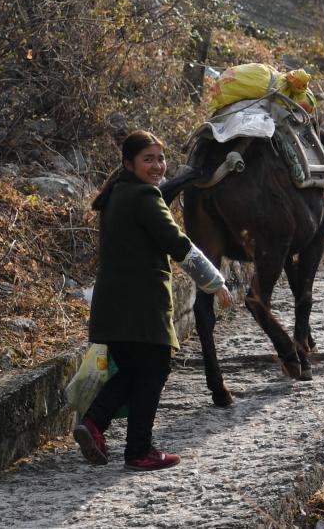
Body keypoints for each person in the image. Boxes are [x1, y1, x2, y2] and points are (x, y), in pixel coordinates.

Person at [73, 130, 233, 471]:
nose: (158, 166)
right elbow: (178, 244)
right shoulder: (145, 197)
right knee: (154, 369)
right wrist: (213, 281)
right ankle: (139, 450)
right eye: (148, 159)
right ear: (128, 163)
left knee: (131, 371)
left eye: (160, 158)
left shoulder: (117, 194)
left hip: (114, 306)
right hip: (141, 306)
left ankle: (92, 424)